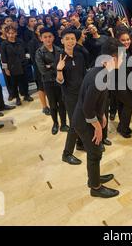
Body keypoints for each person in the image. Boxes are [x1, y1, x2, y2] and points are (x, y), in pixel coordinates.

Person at [73, 38, 123, 198]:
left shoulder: (102, 71)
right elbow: (87, 108)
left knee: (95, 152)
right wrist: (97, 127)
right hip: (84, 121)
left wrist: (102, 116)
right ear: (113, 58)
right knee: (95, 153)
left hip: (90, 117)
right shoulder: (100, 76)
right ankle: (95, 187)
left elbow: (97, 101)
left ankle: (94, 177)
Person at [56, 28, 86, 165]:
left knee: (83, 121)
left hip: (82, 94)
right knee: (74, 124)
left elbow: (83, 75)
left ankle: (80, 143)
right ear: (62, 40)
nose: (70, 41)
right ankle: (66, 154)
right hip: (70, 97)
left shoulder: (79, 55)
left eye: (72, 38)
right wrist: (59, 69)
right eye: (67, 39)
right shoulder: (60, 57)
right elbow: (59, 81)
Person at [35, 28, 68, 135]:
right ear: (41, 39)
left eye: (50, 36)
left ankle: (63, 124)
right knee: (53, 105)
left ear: (53, 37)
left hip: (60, 80)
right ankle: (55, 124)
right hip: (48, 82)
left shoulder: (59, 50)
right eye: (45, 37)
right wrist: (56, 66)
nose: (48, 39)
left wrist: (50, 66)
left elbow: (64, 66)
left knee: (62, 103)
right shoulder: (39, 52)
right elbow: (43, 70)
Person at [0, 25, 34, 106]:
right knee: (14, 83)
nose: (11, 35)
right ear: (6, 34)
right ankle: (17, 98)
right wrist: (6, 69)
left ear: (16, 33)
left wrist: (27, 58)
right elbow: (3, 57)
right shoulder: (4, 44)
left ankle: (26, 95)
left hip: (23, 65)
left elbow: (26, 51)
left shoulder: (20, 41)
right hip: (12, 67)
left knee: (24, 81)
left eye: (13, 33)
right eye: (9, 33)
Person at [115, 29, 132, 138]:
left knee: (123, 106)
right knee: (128, 105)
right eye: (123, 40)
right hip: (120, 84)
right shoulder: (116, 53)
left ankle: (122, 126)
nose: (126, 42)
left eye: (128, 39)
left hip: (131, 84)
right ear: (118, 41)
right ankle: (124, 128)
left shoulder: (130, 51)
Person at [28, 24, 50, 115]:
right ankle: (44, 106)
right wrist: (43, 66)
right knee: (41, 87)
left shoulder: (48, 39)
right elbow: (33, 58)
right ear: (36, 31)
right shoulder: (32, 42)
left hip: (50, 67)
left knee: (49, 86)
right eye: (39, 29)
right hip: (39, 68)